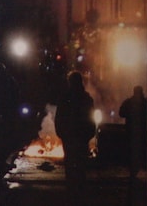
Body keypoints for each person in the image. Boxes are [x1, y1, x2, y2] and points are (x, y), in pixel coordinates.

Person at [55, 71, 96, 200]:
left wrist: (61, 132)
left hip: (70, 136)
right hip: (81, 136)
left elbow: (59, 117)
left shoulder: (65, 98)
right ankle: (80, 192)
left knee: (70, 164)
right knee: (81, 165)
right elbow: (91, 118)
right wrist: (90, 133)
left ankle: (71, 191)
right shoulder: (86, 98)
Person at [118, 85, 147, 182]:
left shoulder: (129, 102)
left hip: (131, 132)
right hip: (143, 132)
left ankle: (133, 175)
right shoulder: (146, 103)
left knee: (132, 155)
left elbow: (121, 113)